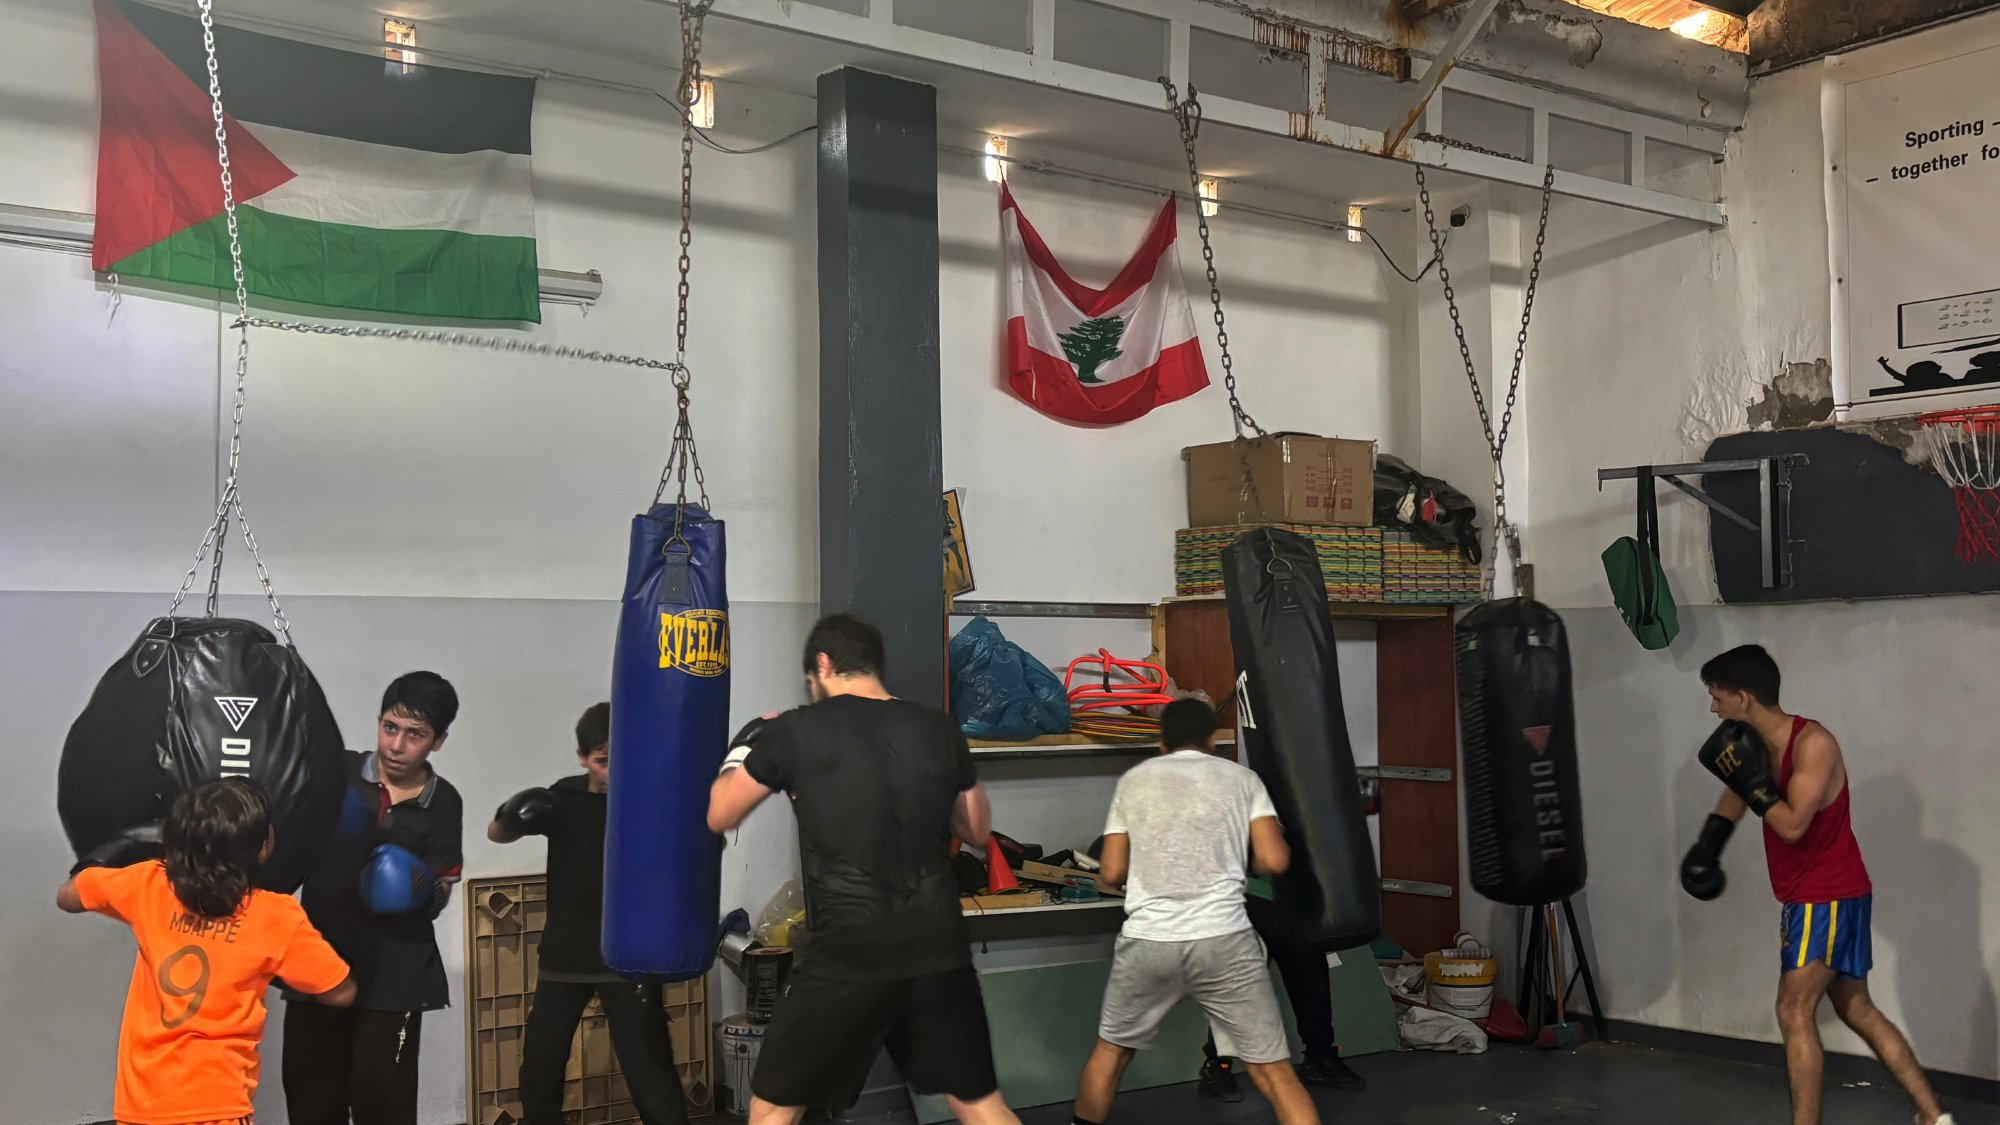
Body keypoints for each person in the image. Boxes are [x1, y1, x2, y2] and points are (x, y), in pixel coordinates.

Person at [706, 613, 1020, 1125]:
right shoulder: (938, 729)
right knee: (981, 1105)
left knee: (773, 1108)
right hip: (937, 950)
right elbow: (977, 828)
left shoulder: (795, 730)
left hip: (847, 954)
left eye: (811, 682)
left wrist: (742, 750)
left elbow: (720, 812)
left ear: (823, 664)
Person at [1682, 645, 1952, 1125]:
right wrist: (1709, 844)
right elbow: (1737, 792)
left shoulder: (1813, 744)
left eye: (1717, 697)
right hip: (1821, 893)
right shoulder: (1753, 744)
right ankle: (1935, 1117)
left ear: (1743, 697)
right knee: (1858, 1010)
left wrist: (1751, 783)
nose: (1712, 708)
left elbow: (1791, 825)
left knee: (1793, 1009)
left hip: (1825, 895)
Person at [1072, 699, 1320, 1125]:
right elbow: (1274, 860)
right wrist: (1241, 858)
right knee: (1273, 1072)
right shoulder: (1243, 779)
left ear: (1162, 743)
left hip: (1150, 939)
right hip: (1224, 940)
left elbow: (1110, 871)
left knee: (1111, 1053)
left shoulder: (1135, 780)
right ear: (1212, 740)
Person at [59, 778, 356, 1125]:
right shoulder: (276, 916)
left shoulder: (149, 885)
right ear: (262, 848)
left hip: (144, 1105)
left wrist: (122, 849)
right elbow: (340, 992)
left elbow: (68, 896)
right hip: (219, 1106)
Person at [489, 701, 688, 1125]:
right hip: (565, 956)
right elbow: (497, 835)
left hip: (630, 956)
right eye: (603, 761)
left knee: (650, 1073)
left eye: (624, 758)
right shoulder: (562, 798)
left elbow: (704, 845)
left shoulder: (651, 798)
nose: (615, 770)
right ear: (582, 758)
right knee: (540, 1068)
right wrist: (512, 812)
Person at [284, 671, 466, 1125]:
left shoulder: (444, 800)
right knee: (312, 1104)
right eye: (390, 727)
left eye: (415, 734)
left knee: (384, 1107)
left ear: (439, 741)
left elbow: (444, 884)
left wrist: (420, 888)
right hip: (320, 962)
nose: (396, 745)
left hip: (396, 974)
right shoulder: (337, 773)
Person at [1196, 873, 1365, 1100]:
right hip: (1247, 894)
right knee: (1238, 984)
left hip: (1296, 897)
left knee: (1310, 977)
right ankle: (1217, 1063)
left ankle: (1320, 1058)